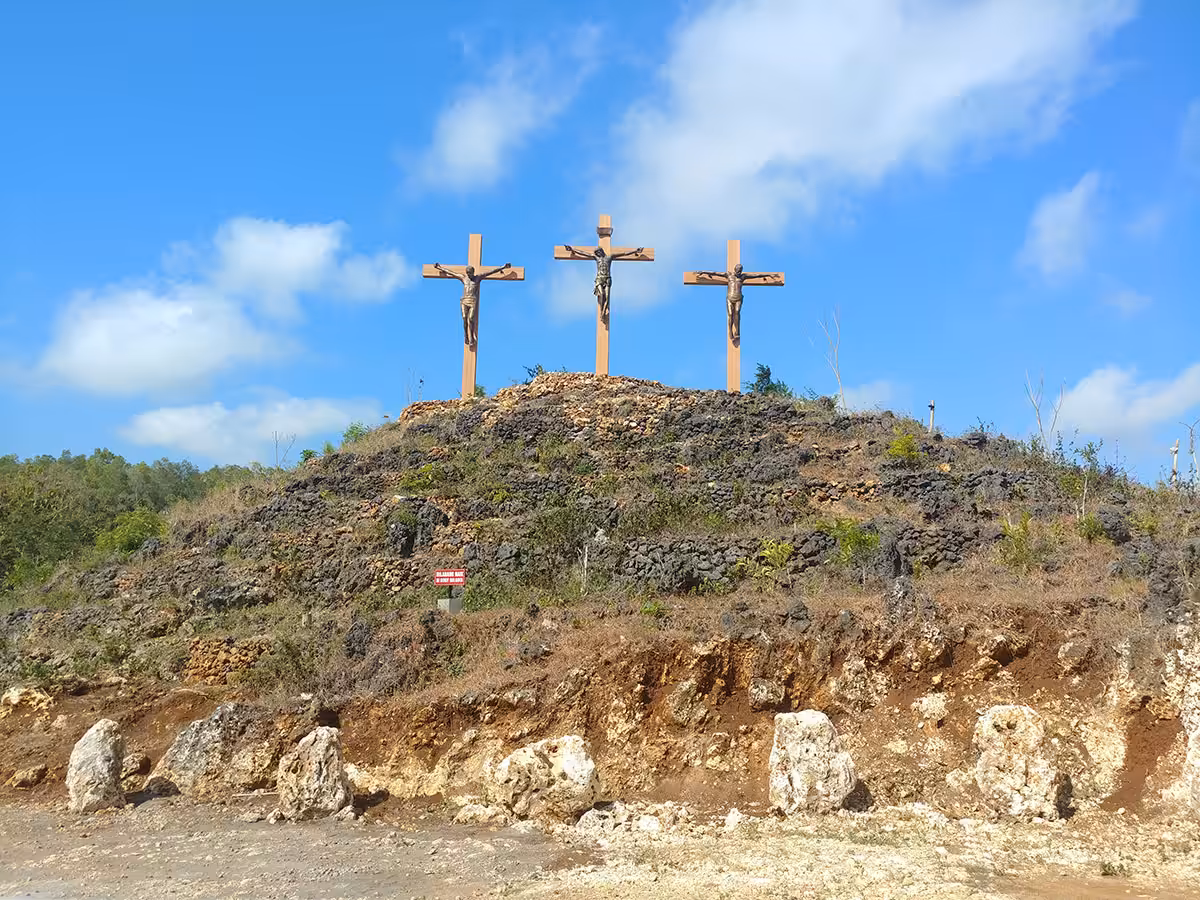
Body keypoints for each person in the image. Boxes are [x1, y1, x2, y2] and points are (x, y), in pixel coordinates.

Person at [431, 262, 512, 346]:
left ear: (473, 272)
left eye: (470, 273)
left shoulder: (478, 278)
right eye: (467, 273)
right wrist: (440, 268)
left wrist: (503, 267)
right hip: (464, 300)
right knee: (464, 318)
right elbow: (452, 273)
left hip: (472, 301)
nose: (469, 275)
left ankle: (472, 337)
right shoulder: (463, 278)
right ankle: (466, 335)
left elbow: (490, 272)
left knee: (470, 319)